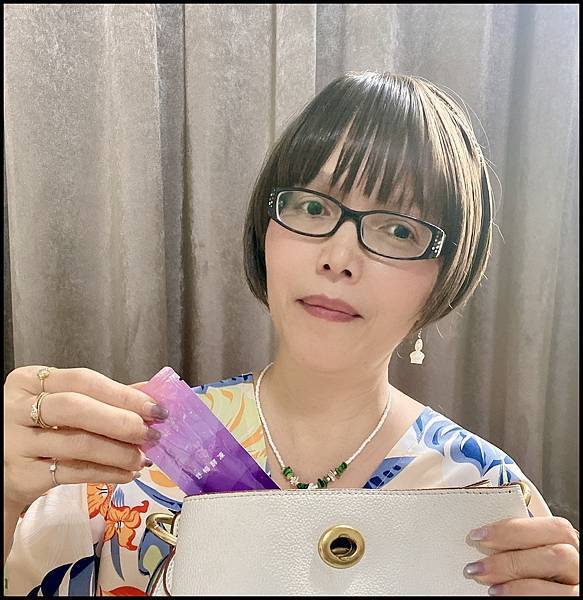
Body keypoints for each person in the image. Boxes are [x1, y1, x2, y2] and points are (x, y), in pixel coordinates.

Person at [4, 71, 579, 596]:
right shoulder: (131, 454)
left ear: (445, 275)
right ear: (267, 231)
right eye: (312, 207)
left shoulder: (484, 496)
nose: (339, 257)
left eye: (399, 229)